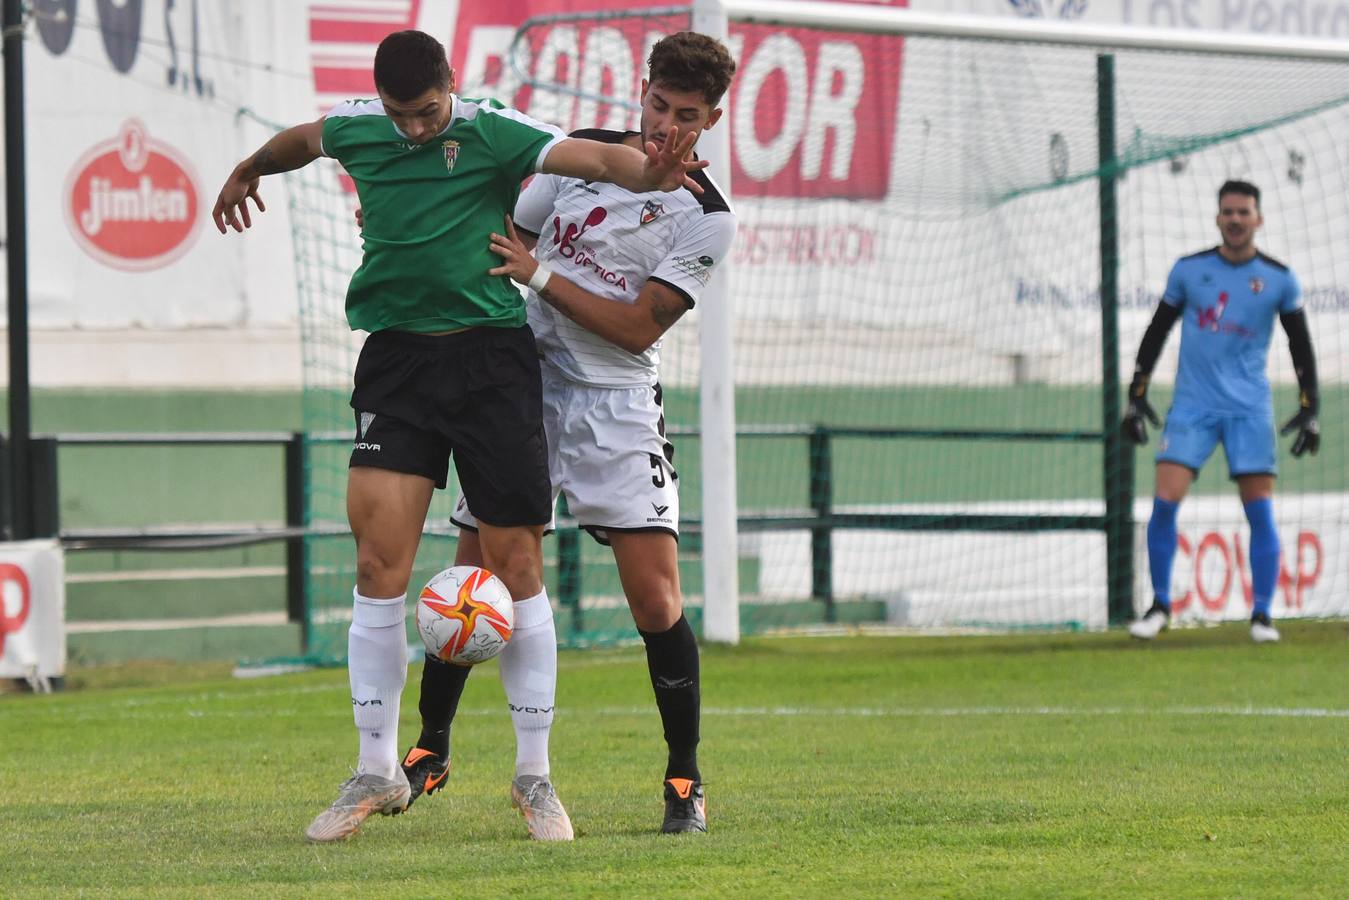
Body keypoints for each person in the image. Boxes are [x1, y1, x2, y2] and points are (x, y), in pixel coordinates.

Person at [211, 29, 708, 843]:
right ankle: (376, 770)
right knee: (378, 566)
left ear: (452, 85)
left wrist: (651, 171)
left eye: (428, 112)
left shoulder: (487, 128)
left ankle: (535, 777)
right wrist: (247, 170)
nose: (415, 129)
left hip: (489, 364)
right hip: (397, 362)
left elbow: (587, 159)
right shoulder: (360, 127)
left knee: (514, 567)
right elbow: (302, 140)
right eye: (402, 116)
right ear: (382, 104)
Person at [397, 31, 736, 837]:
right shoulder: (584, 158)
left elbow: (635, 328)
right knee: (472, 578)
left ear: (712, 118)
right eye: (658, 105)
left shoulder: (708, 219)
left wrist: (540, 274)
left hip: (614, 404)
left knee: (654, 597)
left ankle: (683, 778)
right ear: (643, 89)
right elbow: (500, 233)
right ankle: (428, 750)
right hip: (518, 386)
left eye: (686, 116)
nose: (665, 127)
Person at [1122, 180, 1320, 644]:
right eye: (1228, 212)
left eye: (1244, 212)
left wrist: (1311, 407)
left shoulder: (1279, 278)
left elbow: (1300, 347)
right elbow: (1156, 332)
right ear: (1217, 218)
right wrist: (1137, 392)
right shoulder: (1189, 271)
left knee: (1260, 513)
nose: (1235, 219)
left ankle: (1263, 615)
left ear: (1258, 219)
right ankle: (1158, 606)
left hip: (1249, 409)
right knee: (1164, 503)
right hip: (1192, 407)